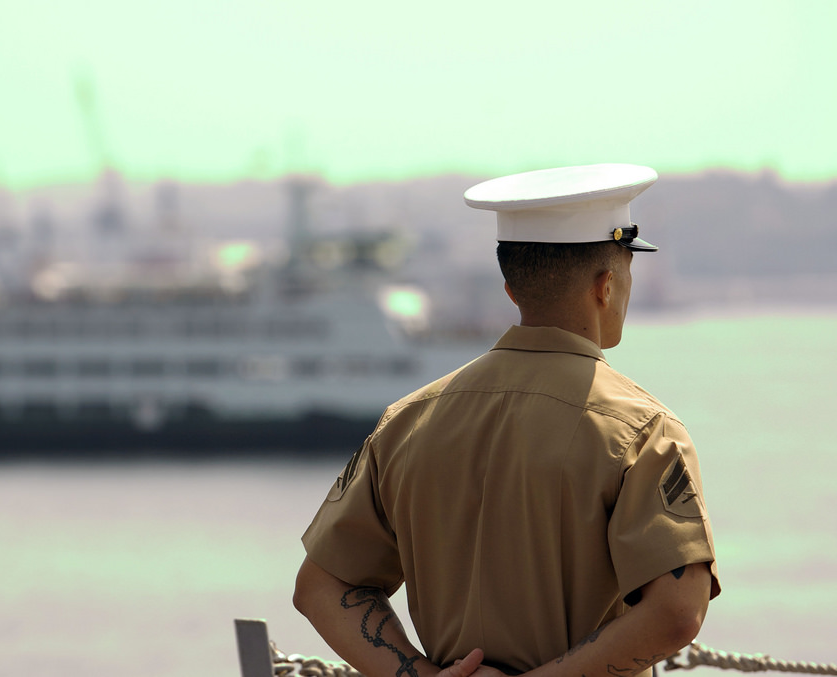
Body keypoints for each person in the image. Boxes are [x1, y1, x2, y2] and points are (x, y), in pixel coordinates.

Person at [293, 164, 721, 677]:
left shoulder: (404, 422)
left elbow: (320, 587)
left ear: (511, 289)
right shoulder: (643, 431)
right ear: (606, 286)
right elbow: (678, 613)